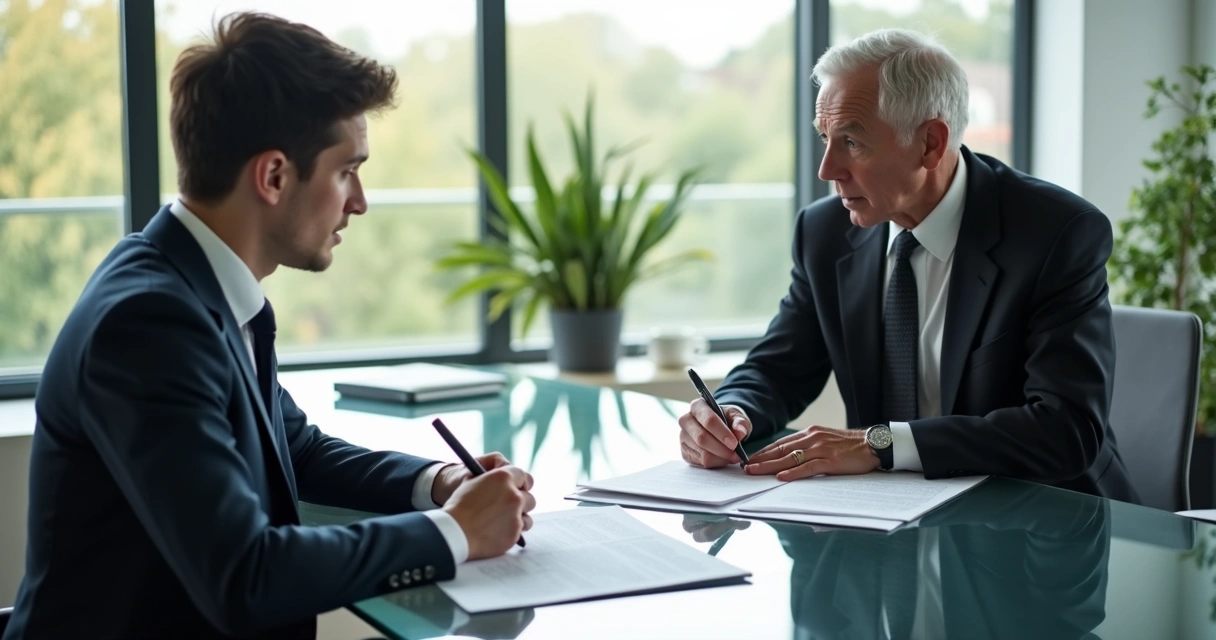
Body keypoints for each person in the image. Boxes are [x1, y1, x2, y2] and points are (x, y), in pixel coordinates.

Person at [3, 12, 535, 640]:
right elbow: (245, 576)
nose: (359, 201)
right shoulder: (148, 323)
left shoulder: (197, 284)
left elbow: (297, 449)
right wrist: (455, 533)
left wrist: (437, 483)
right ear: (275, 175)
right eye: (346, 170)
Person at [677, 28, 1137, 502]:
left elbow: (1066, 430)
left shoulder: (1055, 233)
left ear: (930, 144)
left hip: (1044, 522)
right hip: (893, 519)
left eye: (852, 142)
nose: (827, 169)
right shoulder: (825, 234)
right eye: (824, 138)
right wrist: (730, 413)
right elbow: (780, 367)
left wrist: (880, 445)